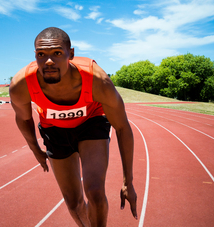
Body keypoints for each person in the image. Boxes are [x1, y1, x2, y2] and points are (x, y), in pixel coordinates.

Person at [9, 27, 137, 227]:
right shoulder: (21, 84)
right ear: (35, 56)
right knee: (74, 203)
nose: (48, 61)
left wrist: (128, 181)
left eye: (57, 53)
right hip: (53, 129)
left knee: (94, 191)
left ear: (71, 55)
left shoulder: (97, 80)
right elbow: (24, 119)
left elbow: (122, 127)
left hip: (91, 122)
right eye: (41, 55)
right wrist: (35, 150)